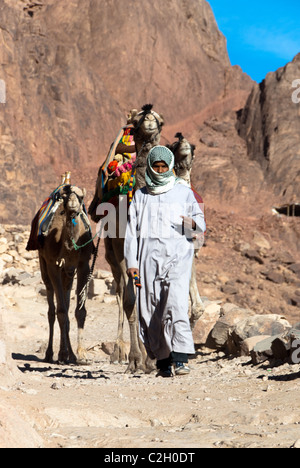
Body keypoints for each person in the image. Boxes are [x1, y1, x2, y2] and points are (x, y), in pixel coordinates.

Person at [124, 146, 206, 377]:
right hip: (148, 256)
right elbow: (132, 231)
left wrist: (191, 223)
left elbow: (200, 222)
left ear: (170, 167)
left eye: (163, 166)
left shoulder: (183, 192)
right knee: (150, 309)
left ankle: (180, 359)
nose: (160, 170)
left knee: (176, 304)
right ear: (150, 167)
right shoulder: (141, 196)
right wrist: (132, 262)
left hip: (178, 255)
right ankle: (162, 363)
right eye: (156, 166)